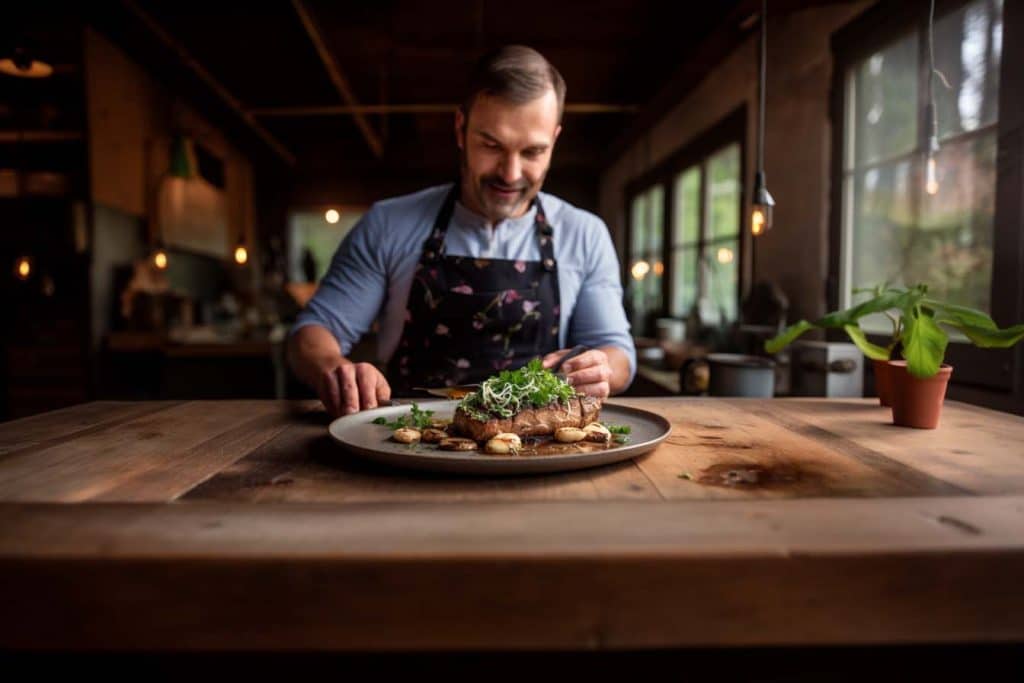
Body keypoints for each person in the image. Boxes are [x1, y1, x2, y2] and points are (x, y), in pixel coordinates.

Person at [288, 45, 635, 417]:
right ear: (460, 129)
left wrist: (600, 369)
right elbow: (313, 332)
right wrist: (336, 370)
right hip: (410, 441)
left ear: (554, 140)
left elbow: (617, 352)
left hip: (539, 445)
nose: (510, 173)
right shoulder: (388, 223)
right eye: (491, 145)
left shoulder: (585, 233)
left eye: (533, 152)